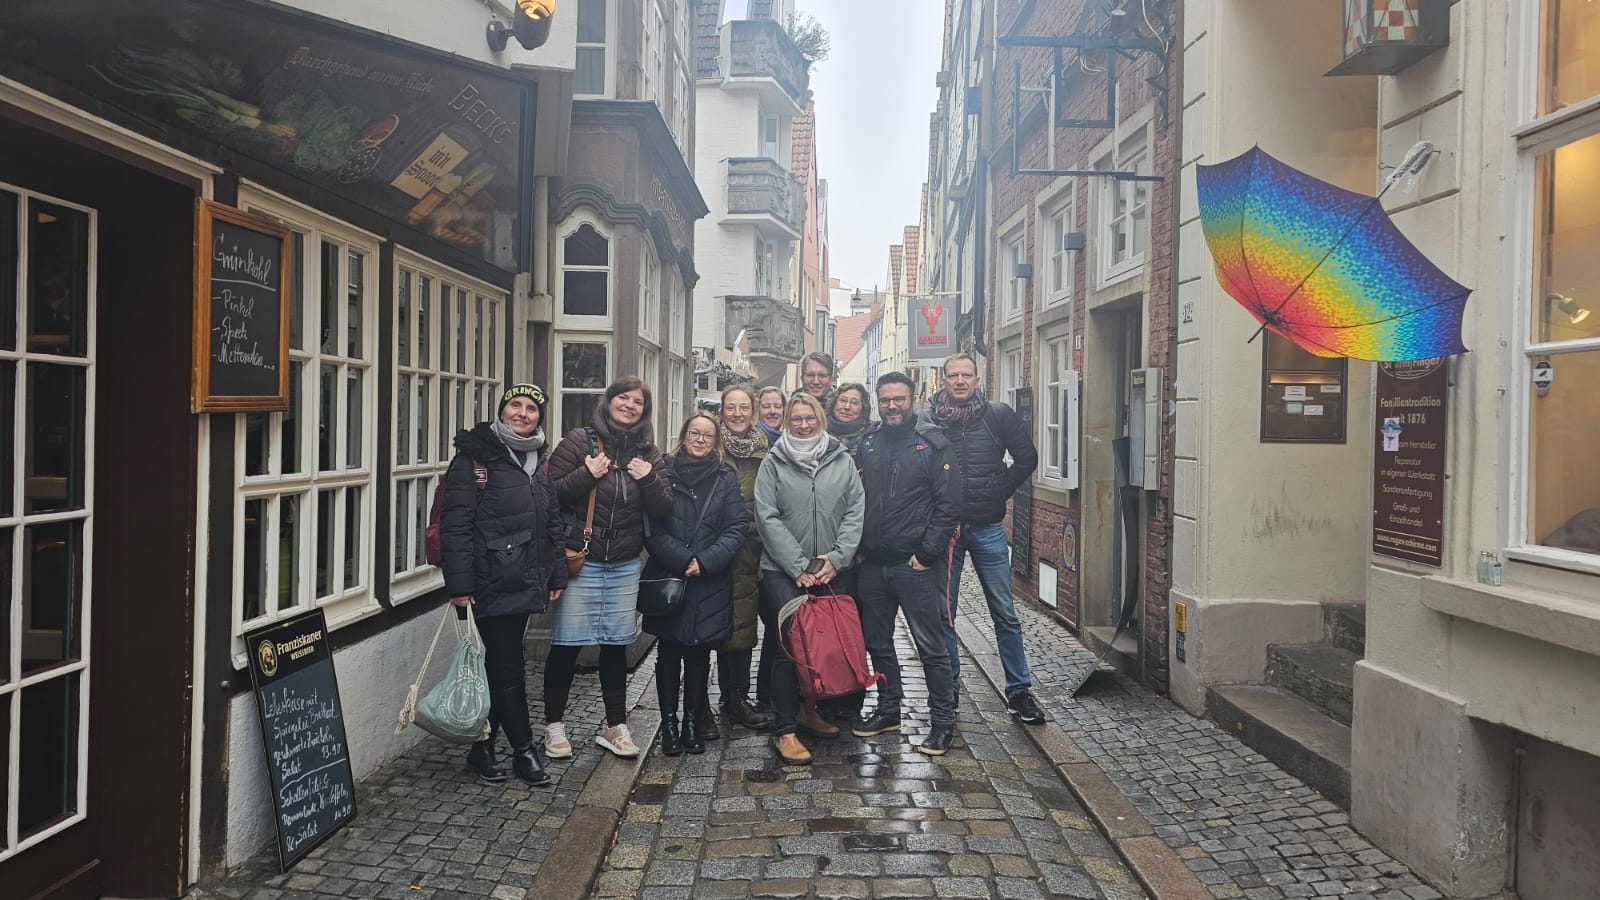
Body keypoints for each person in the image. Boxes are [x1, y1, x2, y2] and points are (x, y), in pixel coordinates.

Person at [440, 383, 567, 786]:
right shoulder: (475, 458)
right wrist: (460, 586)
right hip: (489, 581)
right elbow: (455, 525)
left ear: (540, 417)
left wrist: (556, 572)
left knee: (499, 665)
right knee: (509, 667)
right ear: (502, 410)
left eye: (532, 408)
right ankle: (524, 752)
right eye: (516, 405)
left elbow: (550, 519)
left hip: (524, 578)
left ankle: (482, 748)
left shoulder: (537, 458)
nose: (523, 413)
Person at [545, 376, 675, 758]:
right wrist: (586, 474)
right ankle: (554, 726)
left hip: (624, 562)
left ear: (644, 411)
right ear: (609, 400)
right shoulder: (577, 441)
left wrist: (648, 480)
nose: (630, 405)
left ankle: (615, 726)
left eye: (638, 401)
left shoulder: (648, 454)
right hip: (582, 559)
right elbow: (549, 496)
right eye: (624, 398)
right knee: (567, 645)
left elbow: (665, 507)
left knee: (616, 646)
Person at [930, 353, 1046, 724]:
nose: (960, 380)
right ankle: (949, 688)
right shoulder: (930, 419)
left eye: (966, 375)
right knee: (945, 614)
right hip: (946, 532)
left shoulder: (998, 415)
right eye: (953, 375)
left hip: (988, 528)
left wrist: (999, 492)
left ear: (978, 380)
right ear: (944, 380)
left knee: (1005, 613)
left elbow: (1027, 458)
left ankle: (1019, 691)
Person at [852, 372, 961, 755]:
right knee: (878, 643)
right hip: (873, 565)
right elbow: (856, 498)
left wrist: (926, 554)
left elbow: (949, 504)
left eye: (899, 398)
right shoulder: (868, 443)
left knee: (931, 647)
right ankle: (888, 710)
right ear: (878, 402)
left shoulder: (933, 445)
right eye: (886, 400)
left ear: (912, 399)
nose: (892, 406)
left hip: (915, 566)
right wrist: (860, 548)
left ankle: (943, 723)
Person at [754, 392, 865, 765]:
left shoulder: (841, 459)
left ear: (820, 418)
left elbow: (855, 510)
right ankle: (785, 729)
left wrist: (836, 558)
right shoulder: (773, 462)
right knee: (789, 646)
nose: (803, 425)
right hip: (783, 571)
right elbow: (766, 516)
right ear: (788, 422)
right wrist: (798, 565)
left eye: (809, 418)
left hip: (831, 567)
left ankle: (808, 710)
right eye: (796, 419)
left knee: (820, 643)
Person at [643, 413, 749, 755]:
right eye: (694, 433)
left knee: (699, 654)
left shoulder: (725, 478)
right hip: (671, 578)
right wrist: (681, 559)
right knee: (668, 654)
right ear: (684, 436)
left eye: (707, 435)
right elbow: (652, 527)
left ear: (715, 441)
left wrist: (704, 561)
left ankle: (691, 723)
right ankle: (669, 726)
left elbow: (736, 527)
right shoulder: (664, 472)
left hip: (708, 580)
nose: (700, 440)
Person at [714, 386, 776, 731]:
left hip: (750, 551)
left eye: (743, 408)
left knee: (742, 626)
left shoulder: (766, 452)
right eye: (731, 407)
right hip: (713, 550)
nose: (737, 414)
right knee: (710, 626)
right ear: (722, 411)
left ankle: (737, 698)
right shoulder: (711, 446)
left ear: (753, 412)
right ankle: (708, 701)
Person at [826, 382, 873, 457]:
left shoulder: (872, 436)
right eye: (842, 401)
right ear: (833, 403)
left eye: (854, 403)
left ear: (863, 407)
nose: (847, 407)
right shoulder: (819, 432)